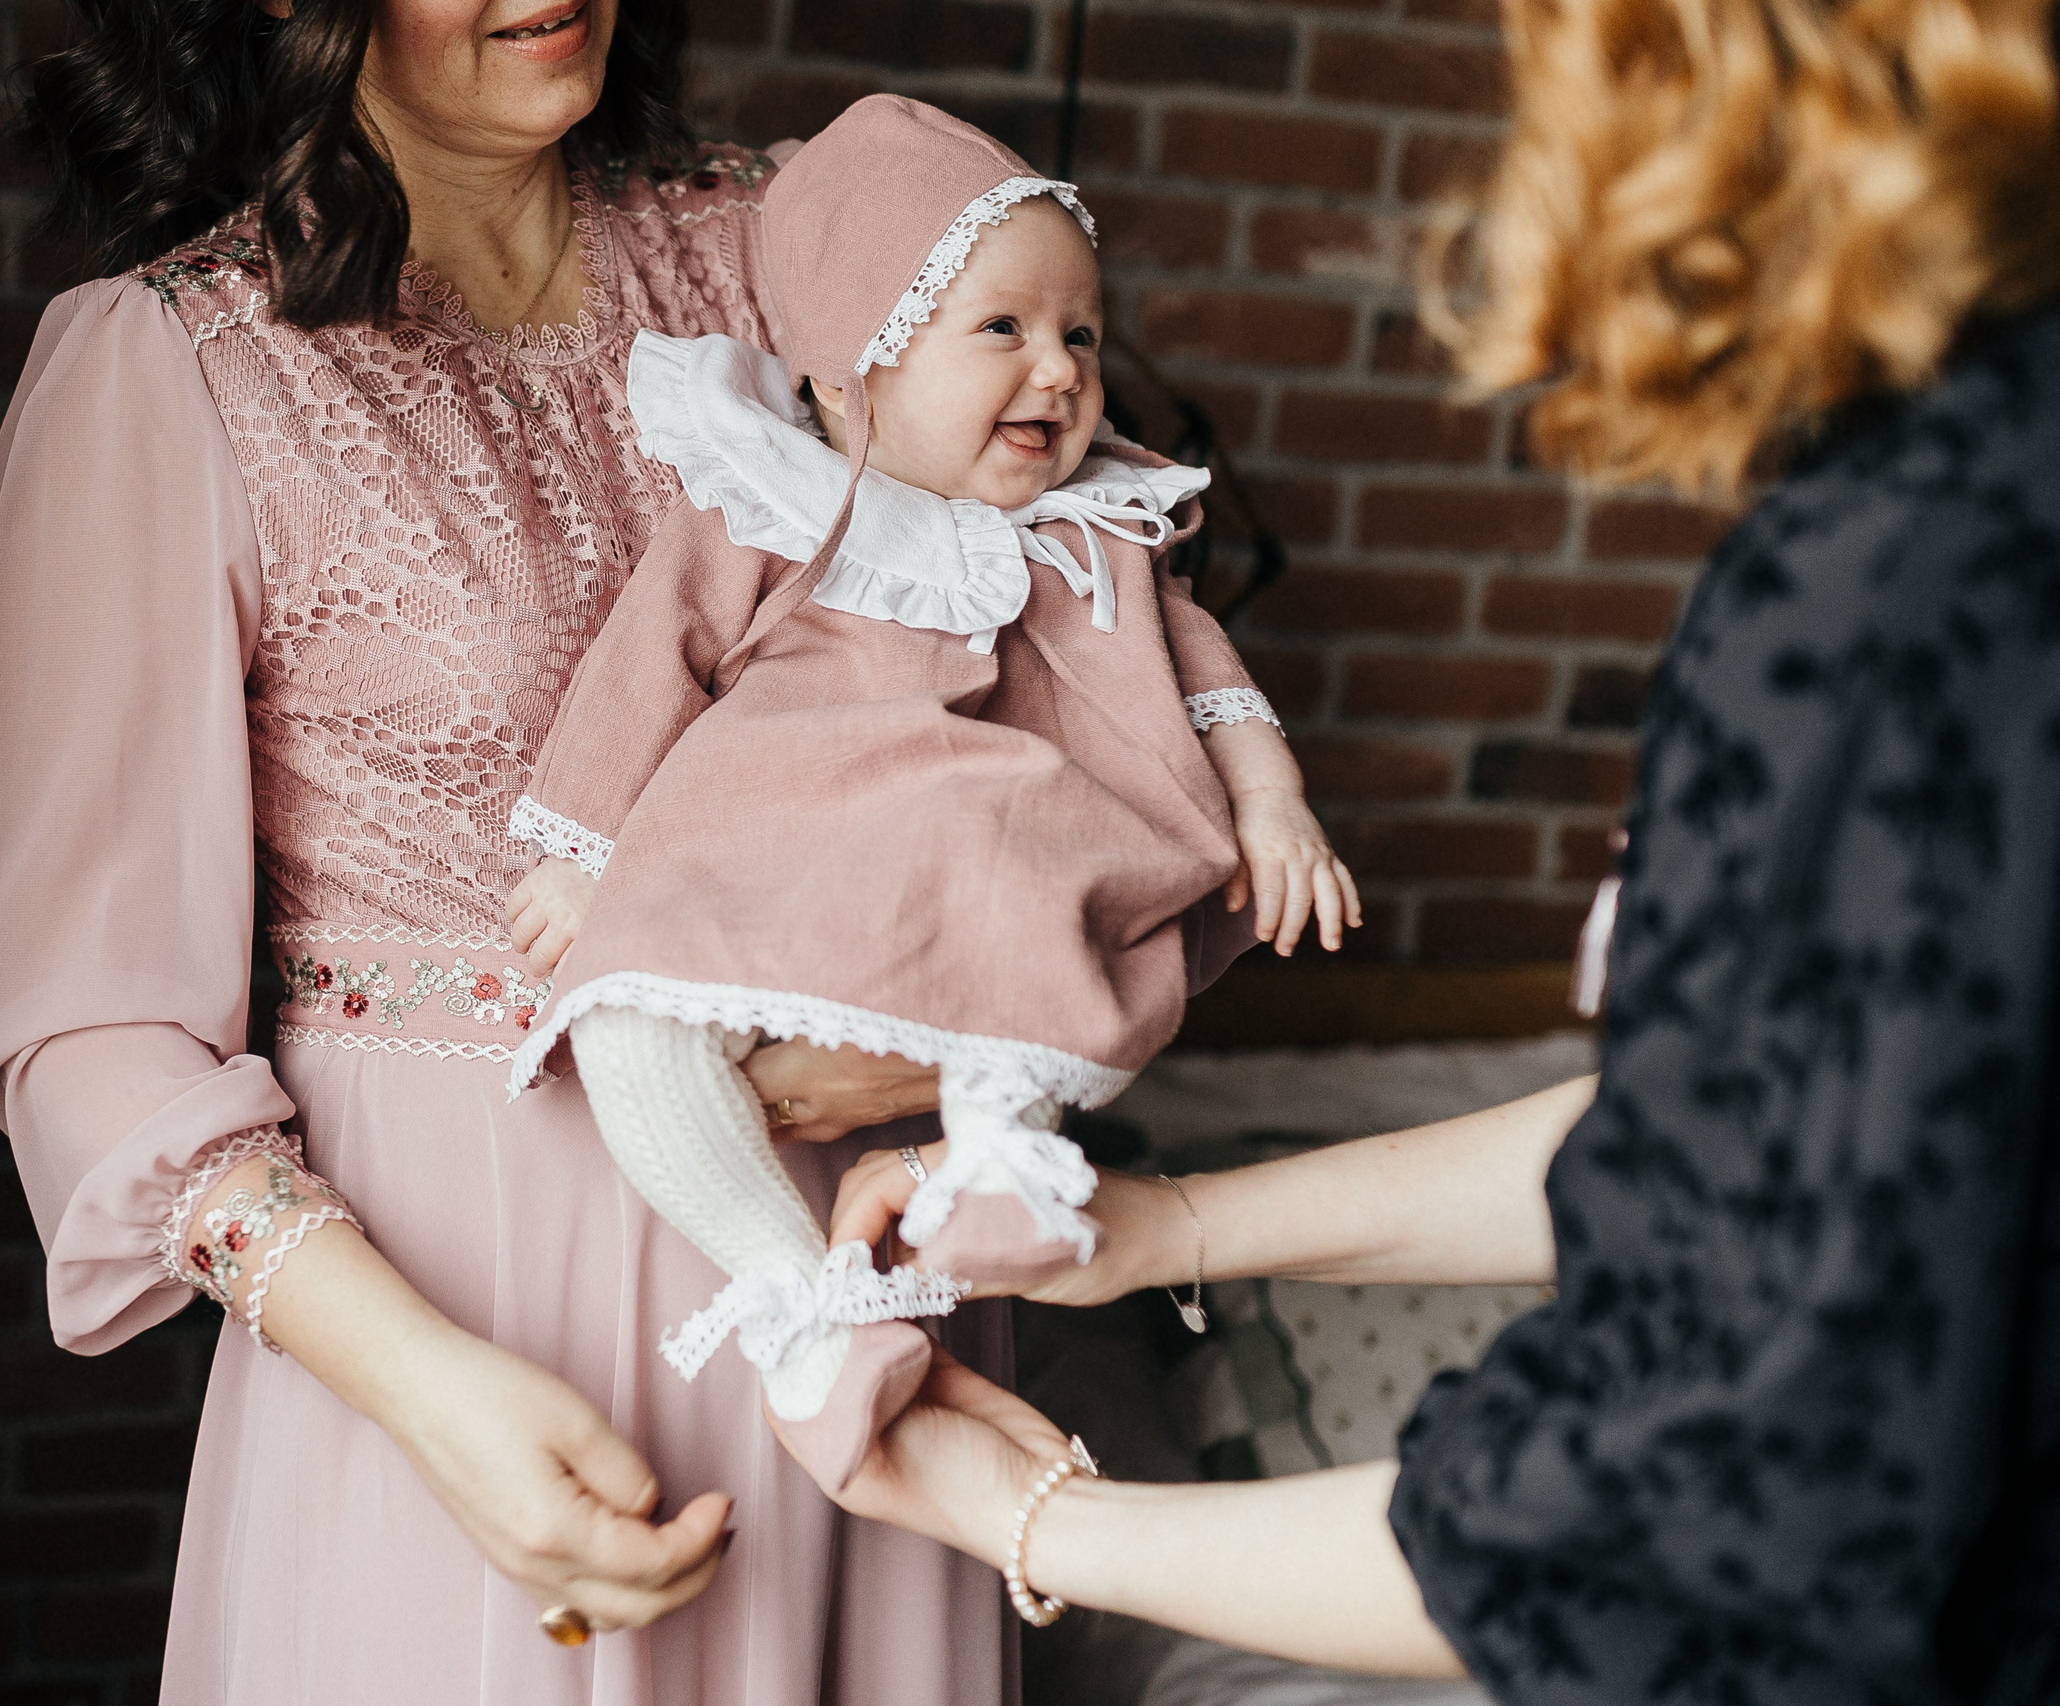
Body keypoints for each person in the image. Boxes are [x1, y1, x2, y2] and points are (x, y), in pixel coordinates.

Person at [809, 0, 2060, 1692]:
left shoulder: (1909, 589)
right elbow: (1747, 1145)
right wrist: (1162, 1228)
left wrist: (1031, 1516)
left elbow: (1698, 1497)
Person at [0, 3, 1008, 1699]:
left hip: (854, 1288)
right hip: (459, 1343)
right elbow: (88, 1033)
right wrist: (427, 1391)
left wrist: (947, 1020)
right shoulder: (172, 361)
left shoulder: (807, 244)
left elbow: (1101, 674)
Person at [497, 96, 1356, 1493]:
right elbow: (652, 660)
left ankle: (1006, 1163)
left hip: (989, 870)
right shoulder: (771, 499)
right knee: (634, 1019)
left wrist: (1273, 803)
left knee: (1027, 940)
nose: (1062, 371)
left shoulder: (1100, 535)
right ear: (854, 372)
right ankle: (796, 1301)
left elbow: (1206, 678)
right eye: (1003, 331)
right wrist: (587, 850)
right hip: (776, 856)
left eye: (1080, 334)